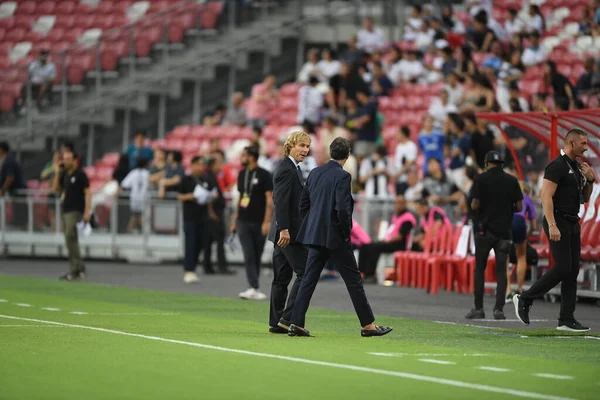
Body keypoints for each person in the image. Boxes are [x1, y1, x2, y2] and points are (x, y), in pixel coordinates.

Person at [287, 137, 392, 338]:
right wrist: (345, 234)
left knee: (308, 279)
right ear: (348, 155)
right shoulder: (343, 177)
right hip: (335, 237)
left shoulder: (315, 172)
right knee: (353, 281)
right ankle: (368, 326)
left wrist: (313, 226)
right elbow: (343, 210)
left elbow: (303, 205)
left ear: (330, 152)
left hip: (315, 236)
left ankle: (296, 323)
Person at [514, 129, 595, 332]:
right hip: (557, 221)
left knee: (572, 270)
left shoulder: (576, 167)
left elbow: (585, 198)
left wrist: (591, 181)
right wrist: (552, 225)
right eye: (583, 144)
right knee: (562, 268)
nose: (586, 147)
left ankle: (566, 319)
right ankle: (524, 299)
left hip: (572, 222)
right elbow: (546, 196)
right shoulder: (556, 166)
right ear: (571, 144)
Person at [467, 151, 523, 320]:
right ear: (501, 164)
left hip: (484, 231)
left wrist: (479, 209)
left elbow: (475, 203)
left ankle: (479, 309)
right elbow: (519, 207)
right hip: (504, 232)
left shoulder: (480, 179)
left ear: (487, 163)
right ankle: (498, 309)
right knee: (501, 271)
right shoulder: (512, 181)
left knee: (480, 269)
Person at [267, 131, 311, 334]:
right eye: (301, 145)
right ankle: (288, 318)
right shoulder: (287, 169)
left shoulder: (290, 167)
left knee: (281, 277)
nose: (305, 150)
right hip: (287, 232)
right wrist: (284, 229)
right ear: (290, 146)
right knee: (304, 272)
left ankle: (276, 322)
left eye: (307, 146)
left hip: (281, 231)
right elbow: (281, 201)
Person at [230, 146, 273, 300]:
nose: (241, 158)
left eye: (244, 155)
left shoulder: (265, 175)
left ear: (251, 157)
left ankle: (254, 287)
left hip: (259, 221)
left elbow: (269, 199)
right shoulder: (242, 174)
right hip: (243, 220)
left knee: (257, 254)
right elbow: (240, 198)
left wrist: (267, 221)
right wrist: (235, 219)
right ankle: (253, 287)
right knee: (248, 253)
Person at [51, 148, 91, 281]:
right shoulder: (65, 175)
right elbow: (56, 189)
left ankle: (76, 268)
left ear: (75, 160)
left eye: (68, 159)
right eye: (65, 159)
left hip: (75, 211)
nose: (66, 162)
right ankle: (78, 267)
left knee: (70, 237)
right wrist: (57, 172)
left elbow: (88, 193)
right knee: (70, 240)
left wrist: (87, 212)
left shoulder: (80, 175)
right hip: (65, 210)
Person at [177, 156, 218, 284]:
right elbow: (180, 196)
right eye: (198, 164)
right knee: (190, 243)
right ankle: (188, 270)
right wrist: (190, 196)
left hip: (203, 216)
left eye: (202, 165)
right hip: (189, 217)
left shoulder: (206, 179)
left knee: (201, 243)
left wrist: (212, 198)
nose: (201, 167)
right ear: (192, 165)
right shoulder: (186, 179)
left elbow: (212, 193)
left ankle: (193, 268)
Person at [358, 195, 416, 283]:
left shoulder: (408, 217)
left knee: (374, 248)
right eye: (396, 203)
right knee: (365, 246)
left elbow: (400, 236)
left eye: (400, 203)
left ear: (405, 204)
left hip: (399, 244)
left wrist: (387, 240)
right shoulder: (397, 215)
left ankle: (371, 275)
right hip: (389, 242)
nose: (398, 205)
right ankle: (362, 273)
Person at [203, 156, 235, 275]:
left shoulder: (212, 177)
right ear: (212, 165)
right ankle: (221, 266)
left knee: (210, 240)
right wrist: (211, 212)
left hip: (216, 211)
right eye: (218, 163)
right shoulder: (210, 178)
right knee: (219, 239)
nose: (220, 166)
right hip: (215, 213)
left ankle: (208, 266)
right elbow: (209, 196)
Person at [506, 181, 537, 300]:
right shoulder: (527, 198)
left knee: (505, 257)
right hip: (520, 222)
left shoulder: (508, 196)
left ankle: (507, 290)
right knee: (521, 256)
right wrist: (526, 236)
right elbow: (533, 225)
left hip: (507, 222)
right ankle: (519, 289)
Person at [118, 158, 150, 234]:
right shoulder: (147, 173)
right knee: (141, 215)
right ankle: (141, 231)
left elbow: (124, 184)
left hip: (134, 197)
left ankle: (132, 229)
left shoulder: (133, 173)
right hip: (144, 197)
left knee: (136, 214)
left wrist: (117, 192)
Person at [0, 141, 27, 228]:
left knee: (19, 211)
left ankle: (20, 227)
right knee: (16, 210)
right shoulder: (7, 160)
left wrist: (2, 190)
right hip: (14, 191)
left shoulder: (9, 161)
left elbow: (10, 178)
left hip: (18, 191)